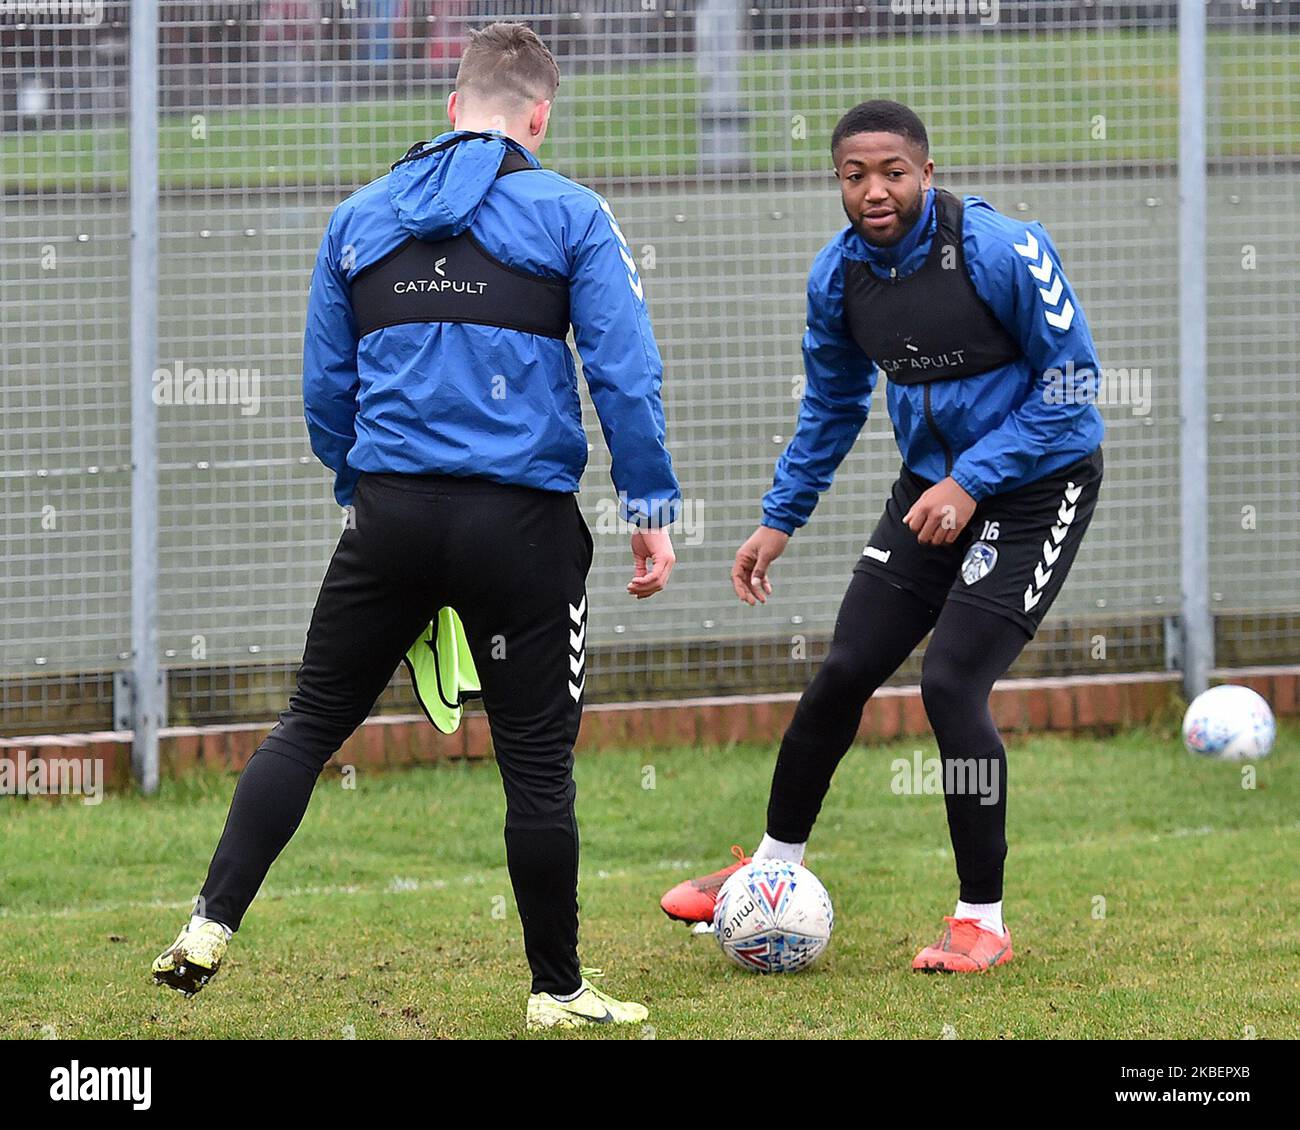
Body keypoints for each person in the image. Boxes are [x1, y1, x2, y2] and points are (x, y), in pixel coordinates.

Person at [153, 21, 679, 1029]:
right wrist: (650, 509)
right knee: (534, 760)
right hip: (520, 528)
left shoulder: (358, 216)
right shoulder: (571, 213)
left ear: (452, 105)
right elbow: (624, 371)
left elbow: (323, 388)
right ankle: (556, 989)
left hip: (388, 518)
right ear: (539, 117)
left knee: (308, 721)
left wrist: (362, 485)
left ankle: (210, 921)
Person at [660, 100, 1103, 973]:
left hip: (1036, 486)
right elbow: (830, 407)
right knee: (845, 669)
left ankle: (982, 921)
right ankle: (769, 870)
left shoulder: (1002, 250)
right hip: (929, 492)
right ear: (838, 182)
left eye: (893, 172)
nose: (875, 190)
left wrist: (973, 479)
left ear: (927, 173)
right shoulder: (839, 279)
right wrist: (779, 520)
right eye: (855, 175)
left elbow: (1074, 387)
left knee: (949, 682)